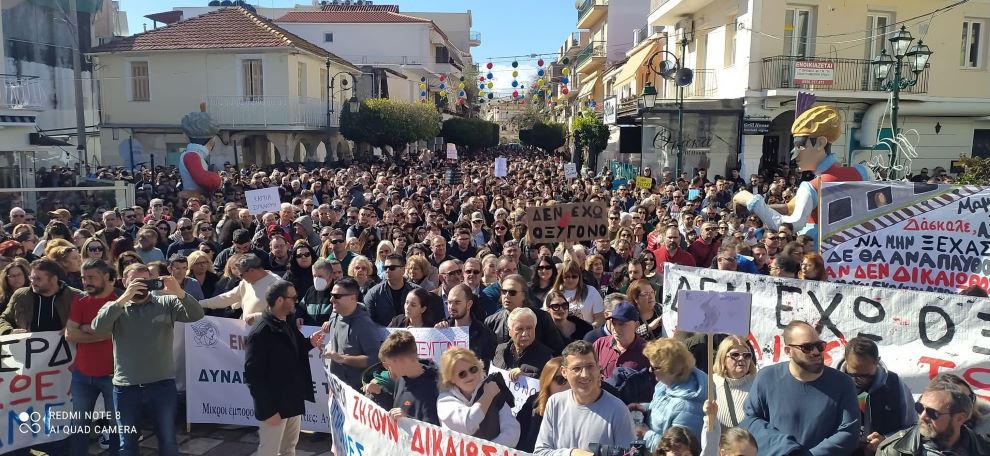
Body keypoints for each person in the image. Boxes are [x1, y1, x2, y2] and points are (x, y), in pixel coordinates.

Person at [91, 263, 204, 456]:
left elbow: (196, 315)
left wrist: (179, 292)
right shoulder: (115, 306)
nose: (142, 286)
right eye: (136, 281)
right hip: (126, 387)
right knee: (127, 443)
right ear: (125, 281)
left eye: (146, 281)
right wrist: (124, 298)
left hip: (161, 385)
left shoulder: (166, 302)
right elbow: (98, 328)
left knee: (167, 440)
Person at [742, 320, 860, 455]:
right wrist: (787, 449)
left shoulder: (842, 383)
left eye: (820, 346)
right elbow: (751, 422)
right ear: (788, 351)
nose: (816, 352)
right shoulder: (766, 377)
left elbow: (849, 432)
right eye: (807, 347)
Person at [244, 280, 325, 456]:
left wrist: (309, 342)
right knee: (269, 451)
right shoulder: (261, 332)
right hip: (274, 406)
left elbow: (295, 349)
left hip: (292, 399)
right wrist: (268, 410)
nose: (296, 301)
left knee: (289, 449)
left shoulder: (288, 321)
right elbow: (253, 376)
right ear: (280, 300)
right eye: (293, 298)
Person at [534, 340, 636, 456]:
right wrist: (571, 453)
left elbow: (629, 454)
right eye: (576, 368)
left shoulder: (618, 410)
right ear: (564, 372)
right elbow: (540, 452)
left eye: (590, 366)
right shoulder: (555, 403)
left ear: (598, 368)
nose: (585, 374)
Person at [66, 259, 119, 456]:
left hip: (113, 375)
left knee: (116, 425)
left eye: (91, 277)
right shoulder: (80, 301)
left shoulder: (119, 301)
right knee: (79, 425)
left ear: (106, 277)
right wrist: (102, 333)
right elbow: (70, 335)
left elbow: (119, 334)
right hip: (82, 374)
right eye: (83, 277)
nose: (86, 282)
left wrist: (87, 329)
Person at [835, 337, 916, 455]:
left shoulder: (894, 384)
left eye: (867, 375)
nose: (860, 380)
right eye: (854, 375)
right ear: (845, 359)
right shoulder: (830, 383)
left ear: (877, 361)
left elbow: (912, 428)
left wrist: (886, 439)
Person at [877, 380, 990, 456]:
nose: (923, 416)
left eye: (932, 412)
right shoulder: (894, 450)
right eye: (920, 408)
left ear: (960, 418)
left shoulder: (983, 449)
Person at [437, 347, 520, 447]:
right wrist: (488, 395)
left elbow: (512, 431)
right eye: (462, 374)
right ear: (451, 378)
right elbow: (468, 424)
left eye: (473, 369)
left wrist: (488, 451)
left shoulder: (493, 390)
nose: (470, 376)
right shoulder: (444, 400)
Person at [636, 338, 707, 452]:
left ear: (671, 369)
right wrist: (644, 407)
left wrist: (646, 435)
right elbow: (663, 408)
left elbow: (677, 450)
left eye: (654, 368)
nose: (650, 370)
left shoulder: (687, 407)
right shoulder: (665, 385)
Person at [363, 330, 440, 425]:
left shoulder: (433, 390)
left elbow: (433, 432)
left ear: (402, 361)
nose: (386, 369)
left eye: (388, 365)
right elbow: (396, 405)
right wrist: (380, 392)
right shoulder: (402, 378)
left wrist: (407, 420)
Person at [324, 277, 382, 391]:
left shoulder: (364, 325)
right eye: (331, 295)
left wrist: (343, 359)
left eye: (337, 296)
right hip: (337, 389)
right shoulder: (335, 314)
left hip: (355, 393)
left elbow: (375, 359)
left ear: (353, 298)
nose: (331, 299)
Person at [0, 258, 82, 334]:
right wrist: (8, 331)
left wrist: (75, 329)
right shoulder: (21, 295)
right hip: (28, 348)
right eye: (31, 278)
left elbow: (91, 324)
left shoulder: (77, 297)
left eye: (38, 279)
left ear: (53, 279)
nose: (33, 282)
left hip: (67, 347)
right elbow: (3, 319)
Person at [201, 253, 281, 324]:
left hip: (268, 334)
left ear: (252, 270)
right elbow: (227, 298)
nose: (240, 278)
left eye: (241, 275)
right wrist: (201, 304)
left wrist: (257, 317)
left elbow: (284, 310)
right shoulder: (245, 282)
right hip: (247, 333)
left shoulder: (277, 284)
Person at [516, 357, 569, 452]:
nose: (567, 385)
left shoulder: (579, 407)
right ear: (547, 381)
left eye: (570, 379)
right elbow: (519, 438)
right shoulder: (532, 403)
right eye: (560, 379)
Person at [438, 284, 497, 364]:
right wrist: (435, 334)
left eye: (457, 302)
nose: (451, 307)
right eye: (449, 302)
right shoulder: (443, 328)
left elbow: (488, 368)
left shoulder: (485, 334)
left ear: (469, 304)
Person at [365, 253, 426, 326]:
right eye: (385, 267)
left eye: (392, 268)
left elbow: (428, 317)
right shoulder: (373, 293)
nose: (387, 271)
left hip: (412, 334)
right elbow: (367, 321)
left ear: (403, 270)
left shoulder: (417, 291)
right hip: (383, 335)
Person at [493, 307, 554, 379]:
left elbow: (548, 385)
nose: (525, 334)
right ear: (510, 331)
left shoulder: (546, 356)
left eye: (529, 328)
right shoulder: (500, 350)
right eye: (519, 329)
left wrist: (524, 377)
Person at [710, 336, 757, 430]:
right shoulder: (711, 383)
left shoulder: (758, 383)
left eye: (746, 355)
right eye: (735, 355)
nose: (741, 358)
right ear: (723, 358)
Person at [592, 301, 649, 379]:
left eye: (621, 324)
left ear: (636, 325)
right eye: (614, 323)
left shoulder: (647, 352)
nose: (616, 329)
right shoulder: (600, 344)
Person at [550, 260, 605, 327]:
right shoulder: (554, 292)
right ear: (561, 277)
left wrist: (590, 330)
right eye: (567, 276)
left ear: (579, 277)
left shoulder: (591, 291)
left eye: (574, 276)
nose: (571, 279)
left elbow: (600, 317)